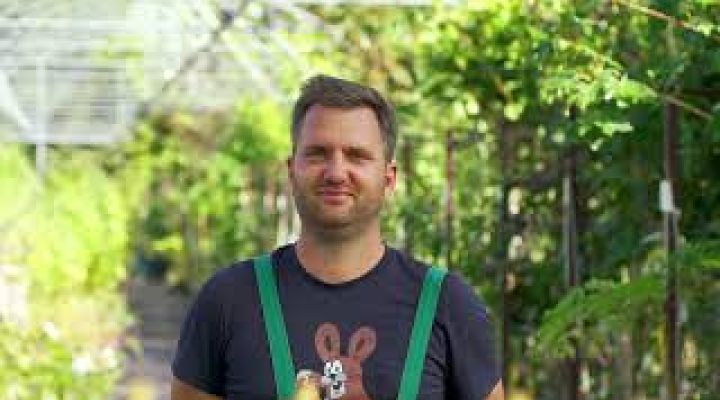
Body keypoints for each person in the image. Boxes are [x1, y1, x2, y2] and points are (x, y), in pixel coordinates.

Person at [171, 75, 504, 400]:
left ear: (389, 178)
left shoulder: (449, 306)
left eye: (357, 156)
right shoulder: (227, 301)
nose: (335, 173)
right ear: (291, 171)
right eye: (318, 153)